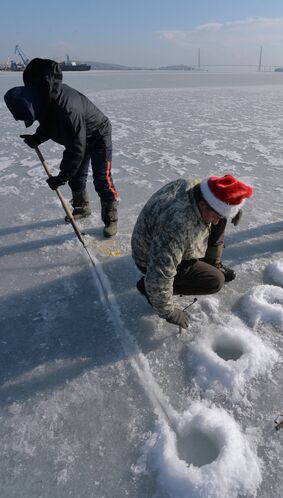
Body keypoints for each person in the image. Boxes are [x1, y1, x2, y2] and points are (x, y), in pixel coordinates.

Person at [4, 58, 118, 238]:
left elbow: (76, 148)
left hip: (98, 135)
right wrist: (37, 138)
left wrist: (61, 177)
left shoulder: (66, 110)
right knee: (77, 178)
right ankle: (82, 208)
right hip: (78, 136)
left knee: (102, 178)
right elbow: (49, 124)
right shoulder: (44, 97)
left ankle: (111, 219)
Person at [131, 174, 253, 329]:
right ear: (202, 205)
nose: (216, 220)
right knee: (215, 282)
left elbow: (222, 194)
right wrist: (169, 312)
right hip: (148, 258)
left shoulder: (200, 189)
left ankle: (212, 263)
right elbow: (159, 273)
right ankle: (147, 289)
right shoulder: (178, 226)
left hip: (164, 238)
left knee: (219, 219)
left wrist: (232, 210)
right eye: (216, 215)